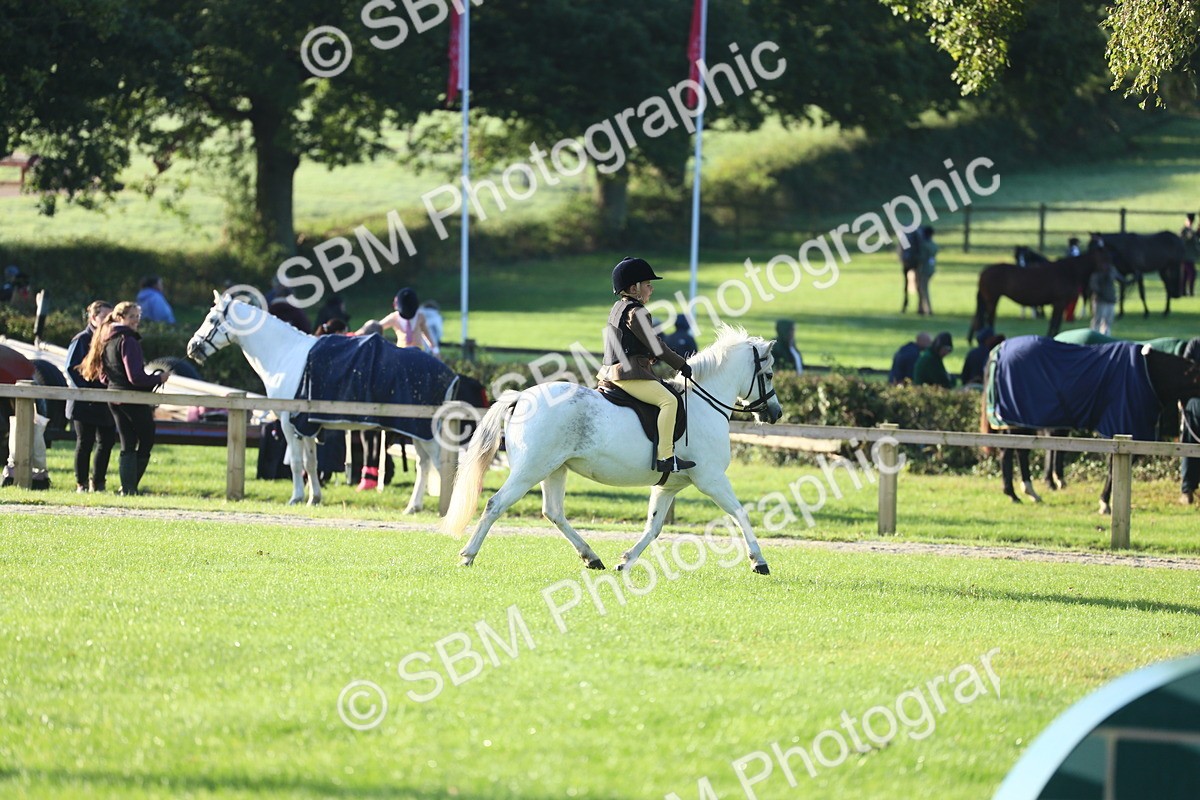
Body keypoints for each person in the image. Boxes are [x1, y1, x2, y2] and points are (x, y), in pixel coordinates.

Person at [596, 256, 694, 473]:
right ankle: (666, 457)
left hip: (610, 371)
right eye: (648, 285)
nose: (652, 289)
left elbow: (638, 344)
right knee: (670, 401)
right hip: (629, 374)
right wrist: (681, 364)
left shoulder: (618, 307)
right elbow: (656, 345)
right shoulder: (637, 312)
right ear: (634, 288)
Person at [80, 302, 170, 495]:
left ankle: (128, 489)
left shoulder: (106, 338)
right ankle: (129, 487)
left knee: (128, 442)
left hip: (114, 398)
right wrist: (158, 378)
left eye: (138, 316)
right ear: (120, 318)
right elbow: (135, 377)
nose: (136, 320)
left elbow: (103, 376)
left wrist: (116, 382)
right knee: (146, 439)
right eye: (132, 317)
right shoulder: (128, 340)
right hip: (132, 399)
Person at [65, 300, 117, 492]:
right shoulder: (81, 339)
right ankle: (82, 483)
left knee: (107, 441)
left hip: (105, 400)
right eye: (104, 317)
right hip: (84, 401)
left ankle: (99, 482)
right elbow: (71, 368)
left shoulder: (111, 339)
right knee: (85, 442)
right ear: (93, 318)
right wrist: (87, 391)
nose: (107, 321)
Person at [373, 288, 439, 356]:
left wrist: (435, 350)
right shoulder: (394, 318)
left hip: (418, 351)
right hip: (401, 351)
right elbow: (377, 327)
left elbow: (426, 333)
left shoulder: (420, 316)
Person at [1180, 338, 1200, 505]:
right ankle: (1187, 488)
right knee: (1193, 412)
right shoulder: (1195, 345)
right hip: (1196, 399)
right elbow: (1185, 372)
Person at [1088, 256, 1117, 335]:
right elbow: (1094, 287)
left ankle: (1106, 334)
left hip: (1110, 300)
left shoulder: (1111, 272)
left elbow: (1120, 279)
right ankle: (1095, 334)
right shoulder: (1096, 275)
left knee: (1108, 320)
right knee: (1098, 319)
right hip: (1100, 301)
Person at [916, 226, 938, 316]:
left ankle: (928, 309)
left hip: (924, 269)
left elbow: (921, 257)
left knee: (924, 289)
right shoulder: (934, 245)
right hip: (931, 268)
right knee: (922, 288)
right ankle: (921, 307)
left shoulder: (924, 245)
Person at [1181, 214, 1198, 298]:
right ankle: (1189, 292)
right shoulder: (1184, 231)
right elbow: (1186, 239)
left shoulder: (1191, 231)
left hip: (1190, 256)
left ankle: (1184, 292)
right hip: (1185, 257)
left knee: (1186, 275)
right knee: (1191, 274)